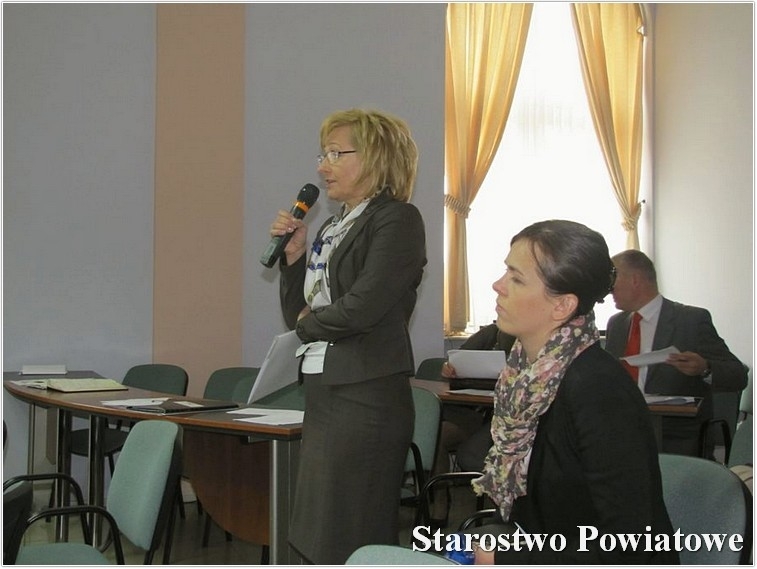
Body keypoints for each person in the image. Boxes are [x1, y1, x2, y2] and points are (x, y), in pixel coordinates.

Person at [267, 108, 426, 564]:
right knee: (316, 532)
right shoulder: (335, 226)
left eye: (336, 154)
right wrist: (294, 258)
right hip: (326, 390)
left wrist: (305, 324)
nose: (323, 166)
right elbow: (299, 314)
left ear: (377, 157)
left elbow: (361, 308)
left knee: (350, 533)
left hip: (367, 396)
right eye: (323, 154)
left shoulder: (397, 219)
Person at [473, 220, 678, 564]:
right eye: (505, 271)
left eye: (516, 278)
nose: (498, 285)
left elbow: (629, 544)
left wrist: (511, 559)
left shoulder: (599, 390)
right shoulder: (523, 378)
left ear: (562, 306)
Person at [605, 249, 748, 457]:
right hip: (622, 434)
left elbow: (737, 375)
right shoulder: (616, 324)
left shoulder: (691, 320)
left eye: (612, 280)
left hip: (674, 439)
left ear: (634, 280)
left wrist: (705, 368)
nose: (608, 289)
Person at [427, 324, 515, 525]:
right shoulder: (492, 332)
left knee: (479, 452)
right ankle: (441, 502)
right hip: (471, 410)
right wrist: (449, 368)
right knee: (435, 435)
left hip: (504, 417)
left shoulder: (536, 337)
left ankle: (500, 513)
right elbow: (457, 359)